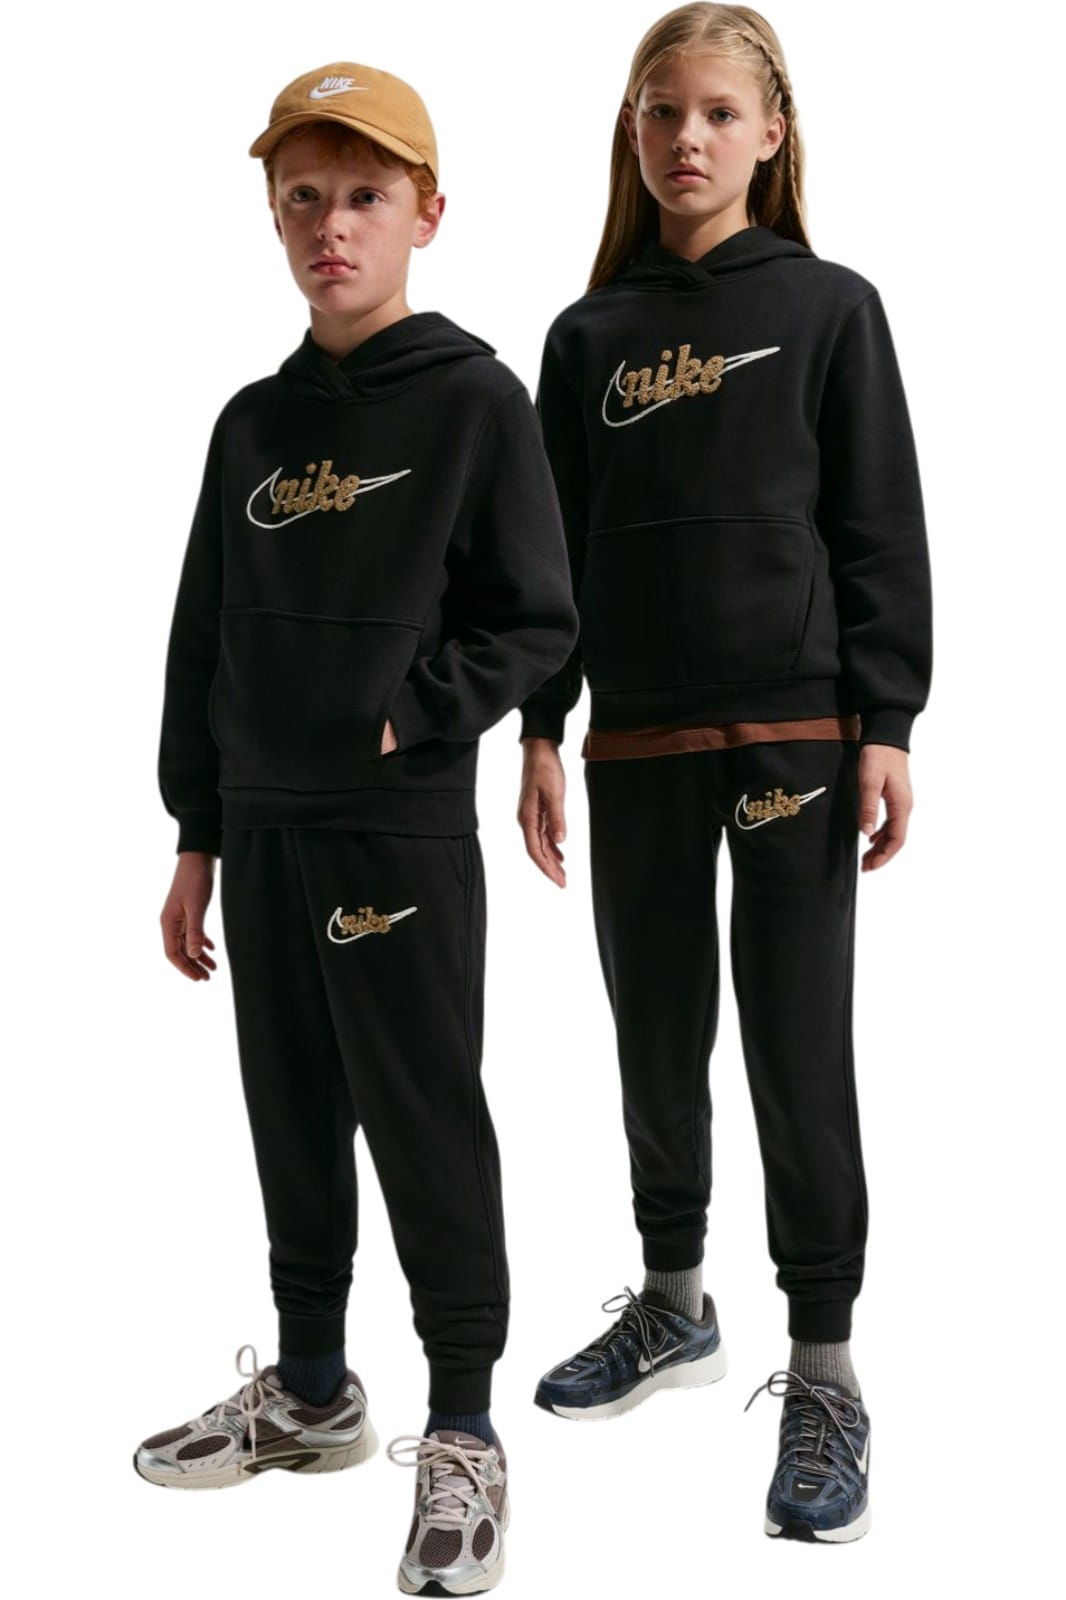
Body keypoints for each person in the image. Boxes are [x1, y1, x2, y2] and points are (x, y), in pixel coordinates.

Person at [135, 60, 577, 1597]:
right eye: (303, 200)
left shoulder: (473, 403)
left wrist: (408, 715)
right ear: (274, 218)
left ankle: (463, 1428)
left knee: (421, 1116)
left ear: (425, 215)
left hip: (394, 835)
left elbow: (536, 616)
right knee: (290, 1109)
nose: (332, 226)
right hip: (259, 830)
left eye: (365, 198)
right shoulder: (252, 423)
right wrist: (195, 831)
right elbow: (202, 635)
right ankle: (314, 1391)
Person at [517, 2, 932, 1544]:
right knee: (654, 1032)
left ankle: (823, 1368)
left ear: (768, 135)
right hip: (633, 738)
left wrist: (885, 721)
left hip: (793, 739)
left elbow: (876, 521)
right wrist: (538, 727)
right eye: (658, 111)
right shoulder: (586, 336)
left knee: (794, 1048)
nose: (683, 138)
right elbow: (543, 555)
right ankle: (674, 1304)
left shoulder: (828, 309)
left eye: (712, 112)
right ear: (629, 134)